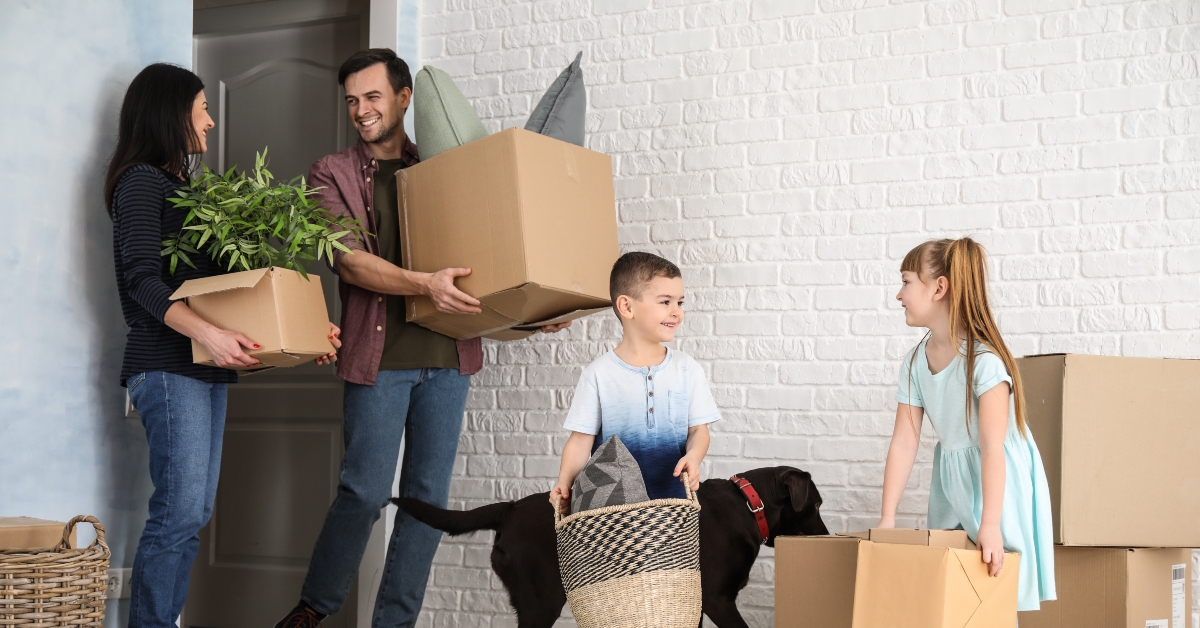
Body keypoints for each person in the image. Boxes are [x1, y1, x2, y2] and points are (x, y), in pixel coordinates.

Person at [274, 49, 568, 628]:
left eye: (373, 97)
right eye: (353, 100)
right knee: (363, 493)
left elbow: (481, 271)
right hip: (379, 362)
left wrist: (531, 317)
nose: (361, 110)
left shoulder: (445, 164)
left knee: (425, 506)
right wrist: (422, 284)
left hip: (448, 361)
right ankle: (315, 607)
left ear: (404, 98)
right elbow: (350, 263)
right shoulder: (329, 173)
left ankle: (394, 623)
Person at [106, 63, 339, 628]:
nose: (210, 122)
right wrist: (210, 334)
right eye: (203, 107)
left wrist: (304, 339)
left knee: (193, 512)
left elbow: (223, 297)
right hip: (166, 367)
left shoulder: (188, 191)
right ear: (171, 112)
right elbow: (141, 279)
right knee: (179, 512)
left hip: (202, 370)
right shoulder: (141, 181)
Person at [877, 237, 1056, 613]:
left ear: (939, 288)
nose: (898, 294)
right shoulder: (913, 364)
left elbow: (993, 447)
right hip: (953, 478)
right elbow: (904, 443)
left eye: (907, 281)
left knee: (994, 581)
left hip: (997, 481)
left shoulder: (986, 363)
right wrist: (888, 519)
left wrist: (990, 522)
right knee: (953, 585)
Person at [551, 252, 720, 513]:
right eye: (665, 302)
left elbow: (698, 431)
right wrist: (564, 484)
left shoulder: (688, 370)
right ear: (627, 307)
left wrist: (693, 457)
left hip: (674, 506)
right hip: (612, 513)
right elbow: (580, 441)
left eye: (680, 302)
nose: (677, 312)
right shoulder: (598, 374)